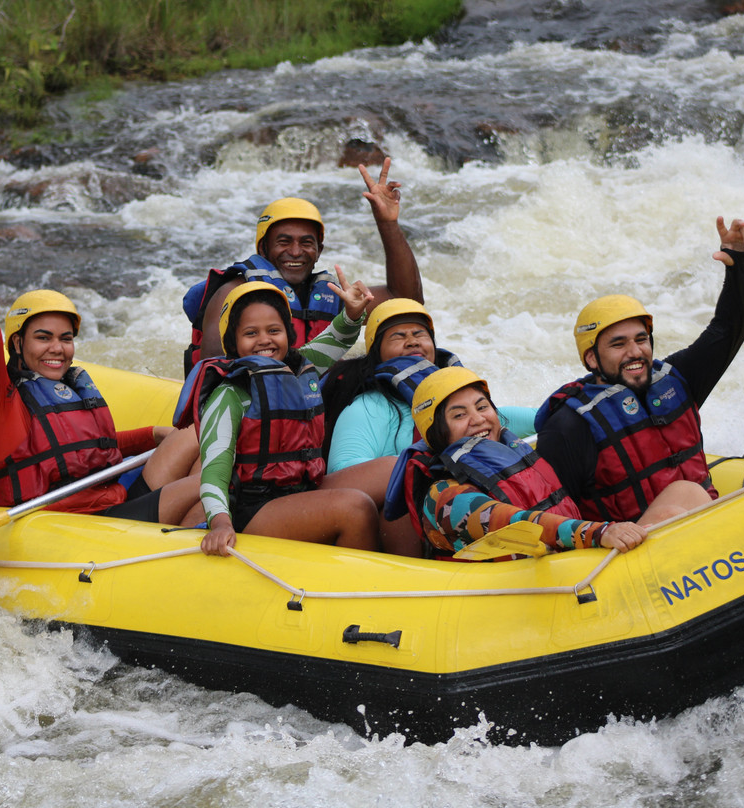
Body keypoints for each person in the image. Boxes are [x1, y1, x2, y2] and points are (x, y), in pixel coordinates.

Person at [534, 216, 744, 524]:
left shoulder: (676, 379)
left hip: (714, 530)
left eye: (641, 340)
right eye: (618, 344)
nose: (635, 352)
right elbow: (553, 515)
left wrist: (740, 263)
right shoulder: (569, 426)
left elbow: (730, 329)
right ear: (592, 359)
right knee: (686, 494)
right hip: (643, 544)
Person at [0, 184, 201, 524]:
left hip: (113, 503)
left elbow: (90, 448)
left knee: (194, 434)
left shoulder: (69, 388)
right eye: (43, 338)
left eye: (65, 338)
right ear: (17, 344)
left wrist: (152, 435)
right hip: (75, 524)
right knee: (208, 485)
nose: (57, 348)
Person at [175, 278, 380, 557]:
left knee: (392, 468)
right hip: (252, 509)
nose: (264, 340)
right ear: (233, 341)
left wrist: (352, 314)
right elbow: (215, 470)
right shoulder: (229, 394)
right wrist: (220, 522)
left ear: (287, 333)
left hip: (302, 490)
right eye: (250, 333)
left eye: (274, 330)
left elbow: (337, 338)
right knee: (356, 507)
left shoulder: (301, 366)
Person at [320, 298, 537, 556]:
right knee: (404, 472)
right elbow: (342, 472)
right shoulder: (368, 406)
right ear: (377, 352)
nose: (412, 341)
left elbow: (520, 418)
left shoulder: (455, 401)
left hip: (439, 511)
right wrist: (421, 471)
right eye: (398, 336)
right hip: (379, 514)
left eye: (419, 334)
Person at [181, 157, 424, 373]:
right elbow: (213, 371)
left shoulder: (332, 295)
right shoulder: (234, 293)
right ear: (263, 249)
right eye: (284, 242)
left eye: (307, 243)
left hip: (313, 398)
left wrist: (387, 223)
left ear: (319, 251)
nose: (296, 252)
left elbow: (406, 299)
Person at [385, 367, 647, 557]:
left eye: (482, 407)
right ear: (437, 433)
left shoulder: (516, 456)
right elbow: (516, 522)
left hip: (563, 566)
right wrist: (598, 533)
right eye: (459, 415)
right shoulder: (444, 495)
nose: (478, 419)